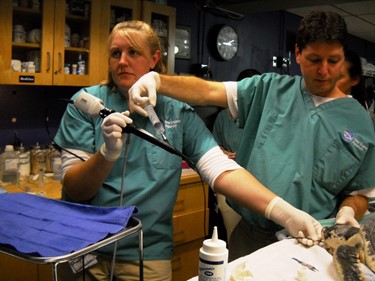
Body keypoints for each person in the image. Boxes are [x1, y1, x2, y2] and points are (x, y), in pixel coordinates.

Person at [54, 20, 322, 281]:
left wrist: (284, 212)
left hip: (146, 256)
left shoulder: (176, 112)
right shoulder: (86, 105)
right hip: (83, 249)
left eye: (133, 52)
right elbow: (75, 189)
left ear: (154, 59)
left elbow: (221, 169)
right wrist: (106, 155)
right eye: (116, 53)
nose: (122, 61)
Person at [129, 11, 375, 261]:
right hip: (253, 235)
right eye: (314, 59)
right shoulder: (269, 90)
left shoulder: (359, 122)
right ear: (298, 53)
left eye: (333, 61)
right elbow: (207, 91)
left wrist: (348, 212)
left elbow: (360, 192)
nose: (324, 70)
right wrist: (158, 81)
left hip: (314, 240)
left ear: (343, 58)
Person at [212, 68, 261, 243]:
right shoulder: (223, 118)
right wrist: (223, 153)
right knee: (235, 235)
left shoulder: (266, 117)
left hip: (259, 182)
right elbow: (213, 145)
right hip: (230, 179)